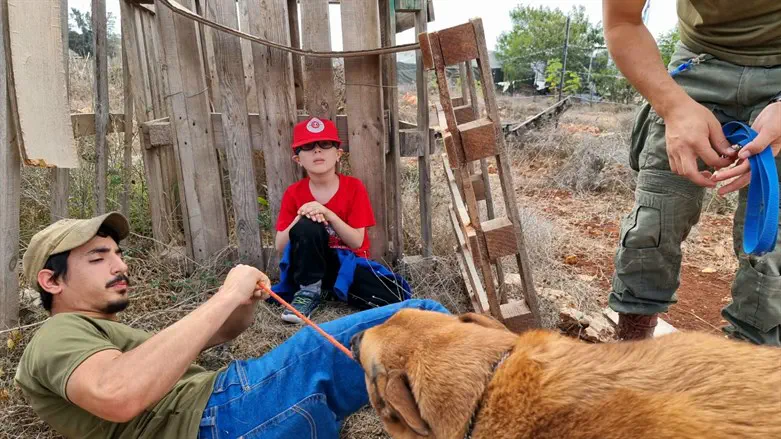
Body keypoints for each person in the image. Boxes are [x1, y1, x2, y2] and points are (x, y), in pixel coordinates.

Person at [14, 212, 448, 438]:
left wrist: (239, 302)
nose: (120, 265)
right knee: (422, 322)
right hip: (227, 411)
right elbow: (117, 394)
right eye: (98, 258)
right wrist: (223, 296)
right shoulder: (57, 333)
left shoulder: (105, 336)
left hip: (233, 414)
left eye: (117, 254)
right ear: (51, 281)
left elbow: (220, 333)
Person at [603, 0, 781, 344]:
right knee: (651, 225)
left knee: (772, 248)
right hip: (698, 63)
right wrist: (672, 106)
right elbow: (622, 21)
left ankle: (750, 378)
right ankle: (631, 350)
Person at [272, 116, 411, 323]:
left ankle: (329, 291)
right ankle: (309, 292)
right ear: (298, 159)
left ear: (338, 154)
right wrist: (303, 214)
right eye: (308, 146)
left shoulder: (353, 188)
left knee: (395, 294)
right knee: (308, 224)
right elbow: (280, 245)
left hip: (345, 264)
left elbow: (356, 241)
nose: (317, 150)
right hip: (306, 267)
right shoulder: (294, 193)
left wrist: (327, 213)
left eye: (325, 144)